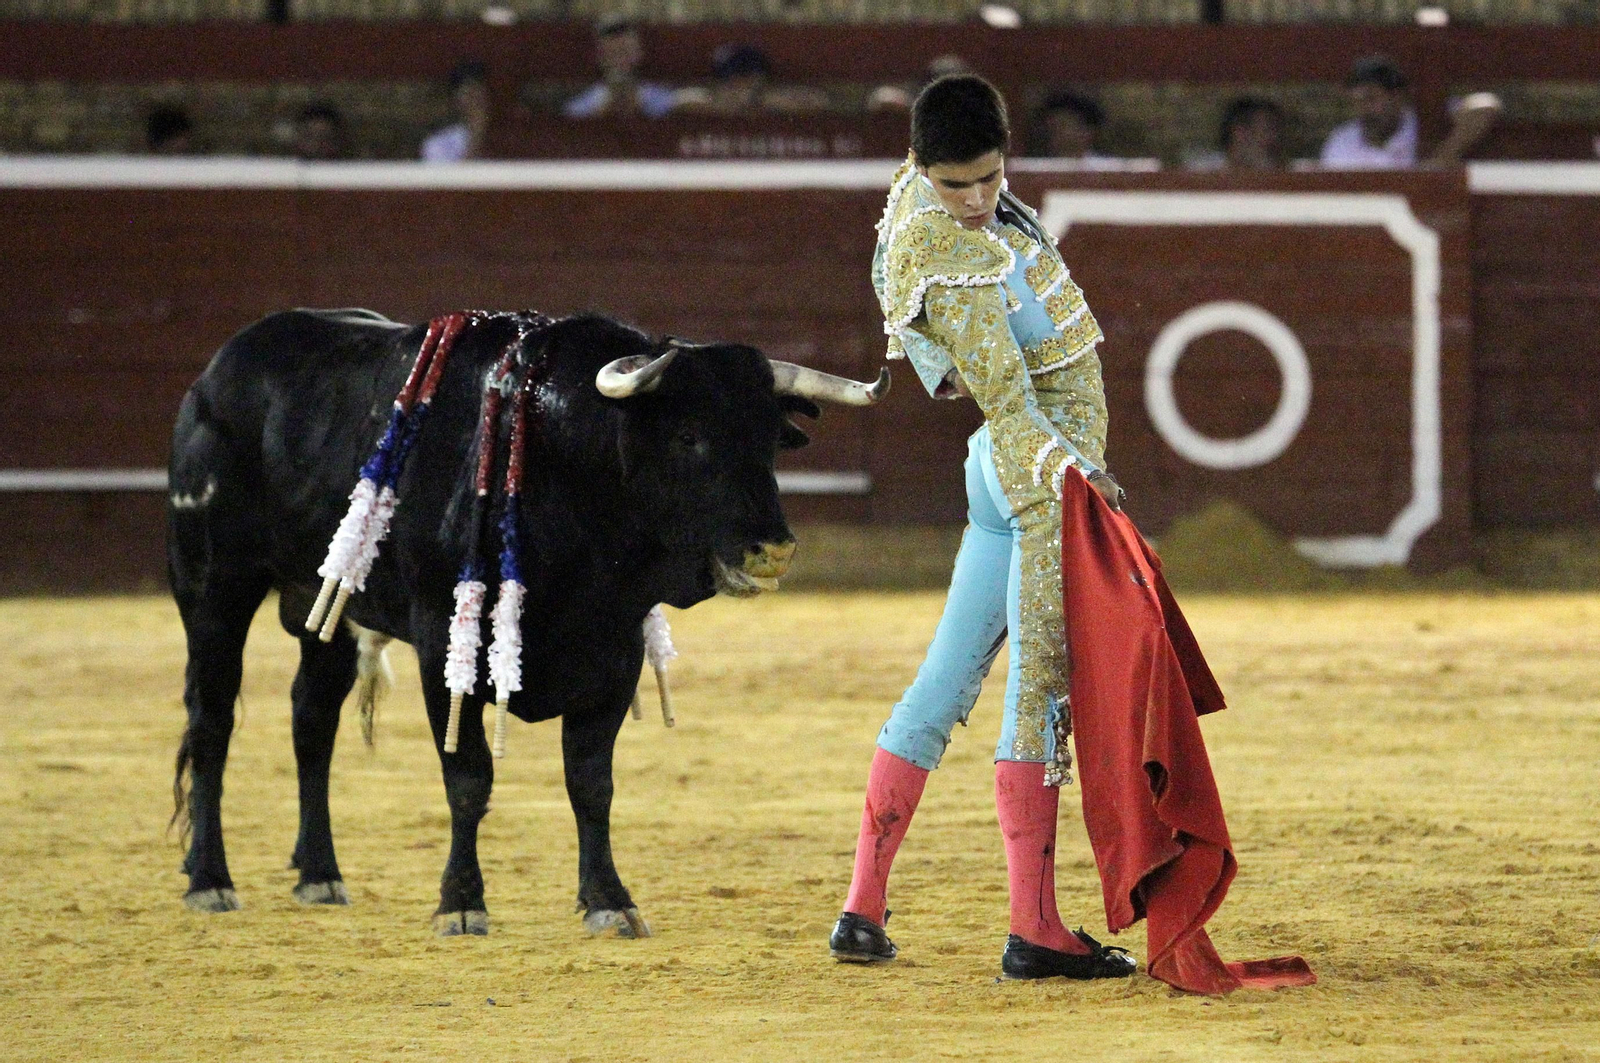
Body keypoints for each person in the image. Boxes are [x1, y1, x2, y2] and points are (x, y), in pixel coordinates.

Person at [829, 75, 1135, 982]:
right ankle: (1033, 927)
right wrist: (1082, 476)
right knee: (1038, 694)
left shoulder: (924, 209)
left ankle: (862, 909)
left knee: (939, 686)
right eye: (954, 183)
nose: (974, 201)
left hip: (1003, 479)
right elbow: (1005, 406)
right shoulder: (943, 251)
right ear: (925, 172)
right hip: (1038, 479)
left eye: (989, 179)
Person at [1320, 54, 1497, 169]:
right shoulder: (1342, 141)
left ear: (1396, 96)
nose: (1363, 109)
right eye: (1357, 101)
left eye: (1371, 98)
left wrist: (1444, 155)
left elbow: (1485, 106)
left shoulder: (1422, 121)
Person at [562, 17, 676, 120]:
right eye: (612, 54)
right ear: (600, 57)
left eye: (625, 52)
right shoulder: (581, 106)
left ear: (639, 53)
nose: (620, 60)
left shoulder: (661, 97)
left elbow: (677, 103)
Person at [422, 60, 491, 163]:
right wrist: (476, 135)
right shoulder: (438, 144)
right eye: (469, 93)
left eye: (479, 91)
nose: (475, 100)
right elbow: (452, 178)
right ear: (456, 100)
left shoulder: (506, 136)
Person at [1218, 96, 1287, 170]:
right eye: (1267, 130)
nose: (1275, 138)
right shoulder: (1207, 171)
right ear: (1240, 133)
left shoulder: (1288, 175)